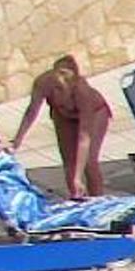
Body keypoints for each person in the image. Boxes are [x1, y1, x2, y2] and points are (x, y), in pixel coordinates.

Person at [10, 53, 111, 198]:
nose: (61, 82)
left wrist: (78, 177)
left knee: (89, 162)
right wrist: (17, 140)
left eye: (65, 79)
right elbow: (32, 111)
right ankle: (77, 197)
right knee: (69, 163)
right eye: (58, 75)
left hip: (95, 114)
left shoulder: (83, 92)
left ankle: (98, 199)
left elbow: (84, 137)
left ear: (74, 80)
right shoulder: (43, 83)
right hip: (63, 115)